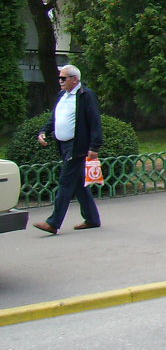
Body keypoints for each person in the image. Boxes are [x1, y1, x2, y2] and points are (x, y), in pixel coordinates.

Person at [33, 64, 104, 234]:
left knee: (65, 182)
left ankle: (53, 222)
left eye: (63, 78)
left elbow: (95, 121)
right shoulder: (62, 96)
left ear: (75, 79)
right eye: (59, 78)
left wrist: (95, 146)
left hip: (77, 146)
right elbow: (55, 118)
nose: (60, 81)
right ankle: (92, 219)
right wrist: (44, 131)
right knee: (79, 184)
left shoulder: (86, 95)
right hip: (64, 145)